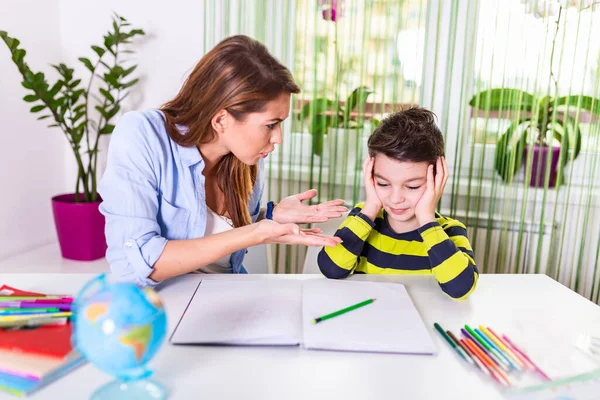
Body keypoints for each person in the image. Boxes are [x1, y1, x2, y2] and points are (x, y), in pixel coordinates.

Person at [99, 35, 347, 287]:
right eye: (271, 125)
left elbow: (218, 227)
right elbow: (135, 265)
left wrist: (269, 216)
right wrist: (253, 234)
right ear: (221, 120)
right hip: (159, 306)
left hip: (226, 294)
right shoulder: (142, 135)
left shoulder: (246, 157)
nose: (278, 138)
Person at [317, 107, 478, 299]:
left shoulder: (448, 231)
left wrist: (427, 219)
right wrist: (370, 208)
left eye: (412, 187)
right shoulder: (363, 218)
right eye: (383, 183)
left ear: (437, 179)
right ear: (370, 176)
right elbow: (331, 270)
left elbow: (461, 289)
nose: (395, 198)